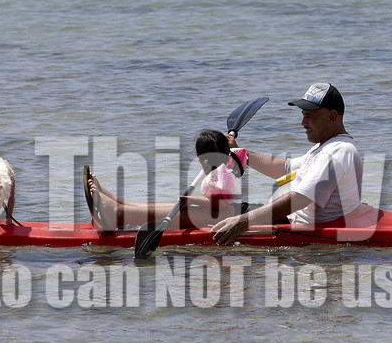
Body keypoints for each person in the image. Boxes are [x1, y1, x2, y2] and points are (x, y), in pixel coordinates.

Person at [210, 82, 368, 245]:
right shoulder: (326, 147)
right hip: (286, 221)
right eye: (303, 115)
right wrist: (243, 154)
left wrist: (243, 221)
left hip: (297, 230)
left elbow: (300, 199)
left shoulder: (337, 152)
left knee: (197, 213)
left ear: (332, 117)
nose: (303, 123)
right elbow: (286, 168)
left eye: (309, 116)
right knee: (207, 209)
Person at [84, 129, 246, 232]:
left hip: (220, 216)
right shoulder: (226, 163)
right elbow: (237, 155)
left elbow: (220, 204)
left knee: (172, 211)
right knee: (166, 207)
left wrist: (190, 199)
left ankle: (117, 214)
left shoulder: (222, 174)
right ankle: (118, 204)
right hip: (217, 212)